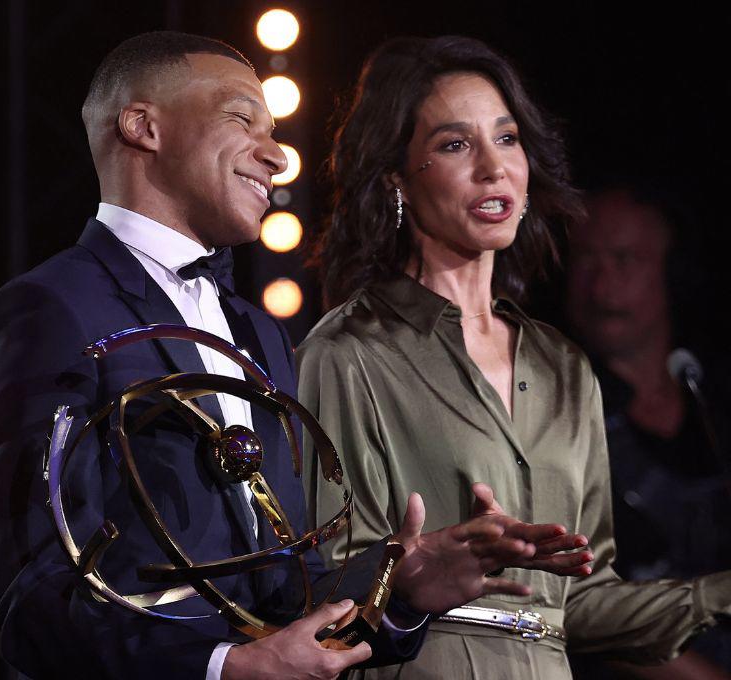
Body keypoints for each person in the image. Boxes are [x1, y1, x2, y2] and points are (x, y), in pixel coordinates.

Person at [0, 31, 591, 680]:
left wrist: (401, 586)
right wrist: (221, 667)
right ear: (144, 127)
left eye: (275, 132)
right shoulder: (48, 310)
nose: (278, 156)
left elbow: (290, 592)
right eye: (242, 120)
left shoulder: (258, 332)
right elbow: (30, 599)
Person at [300, 35, 731, 680]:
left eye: (506, 139)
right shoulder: (347, 355)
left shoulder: (563, 366)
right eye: (455, 145)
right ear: (396, 180)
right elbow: (319, 589)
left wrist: (718, 594)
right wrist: (416, 575)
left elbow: (578, 602)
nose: (493, 167)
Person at [566, 187, 731, 679]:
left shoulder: (712, 397)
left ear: (672, 274)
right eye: (586, 259)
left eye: (625, 259)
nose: (601, 285)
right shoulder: (556, 408)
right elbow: (575, 605)